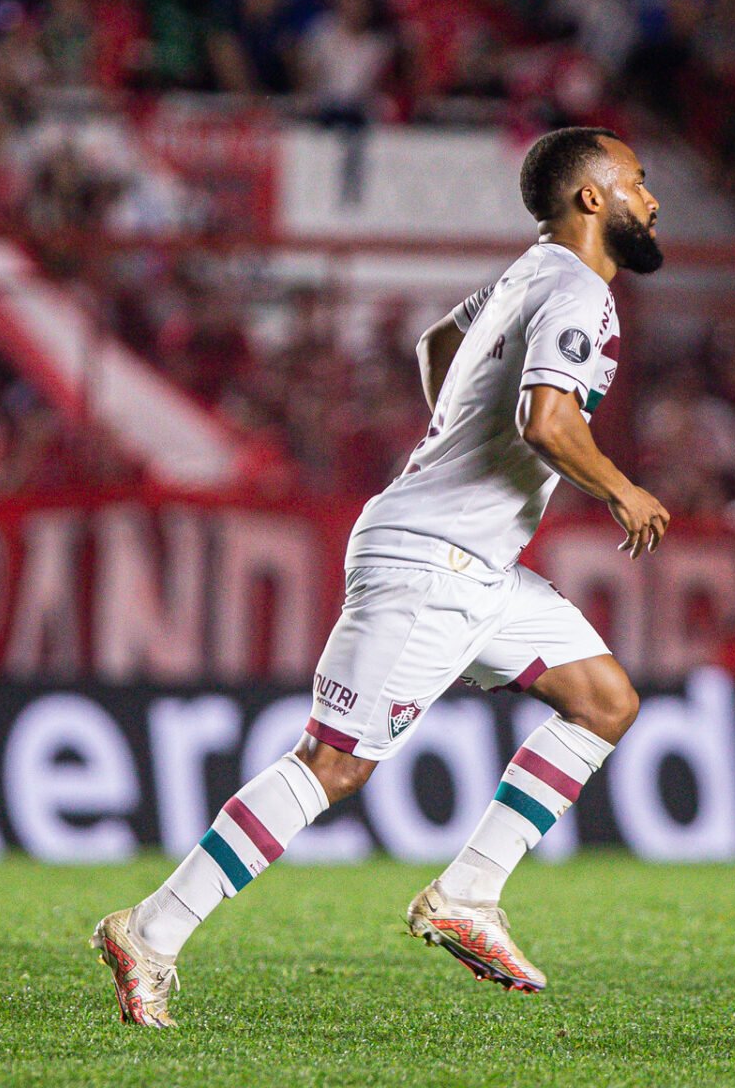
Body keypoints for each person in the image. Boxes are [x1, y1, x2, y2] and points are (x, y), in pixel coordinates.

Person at [92, 127, 672, 1026]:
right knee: (331, 765)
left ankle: (468, 896)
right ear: (592, 198)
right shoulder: (575, 289)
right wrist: (622, 489)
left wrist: (453, 439)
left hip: (479, 567)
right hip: (431, 562)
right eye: (637, 181)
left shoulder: (526, 274)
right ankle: (152, 932)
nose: (652, 198)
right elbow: (547, 421)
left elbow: (440, 344)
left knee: (604, 701)